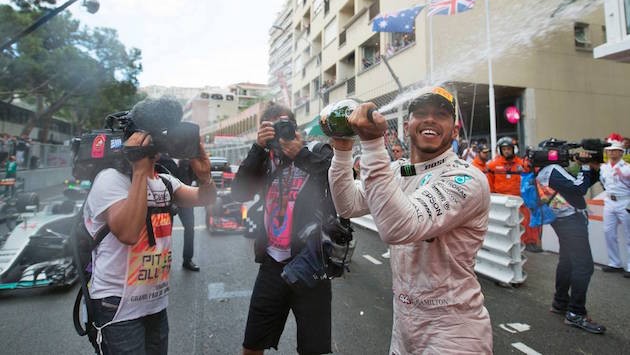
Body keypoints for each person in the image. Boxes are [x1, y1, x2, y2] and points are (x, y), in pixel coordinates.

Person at [328, 86, 492, 354]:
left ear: (454, 131)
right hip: (403, 327)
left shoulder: (467, 178)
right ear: (407, 126)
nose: (430, 119)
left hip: (454, 332)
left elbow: (398, 228)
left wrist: (372, 144)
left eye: (441, 114)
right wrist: (343, 149)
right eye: (421, 113)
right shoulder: (398, 170)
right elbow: (347, 205)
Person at [84, 97, 216, 354]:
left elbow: (205, 198)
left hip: (155, 304)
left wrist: (205, 176)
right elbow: (129, 233)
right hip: (117, 306)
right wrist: (140, 170)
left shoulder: (165, 181)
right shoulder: (109, 180)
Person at [231, 103, 336, 355]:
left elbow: (336, 180)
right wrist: (257, 148)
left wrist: (299, 154)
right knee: (252, 345)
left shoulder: (317, 151)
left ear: (295, 126)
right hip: (272, 265)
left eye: (284, 124)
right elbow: (240, 193)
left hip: (311, 265)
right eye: (272, 126)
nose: (280, 131)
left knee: (315, 350)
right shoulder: (264, 160)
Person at [532, 149, 606, 333]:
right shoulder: (552, 170)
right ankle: (576, 313)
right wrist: (585, 165)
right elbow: (579, 188)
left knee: (567, 261)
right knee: (584, 266)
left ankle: (560, 302)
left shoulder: (546, 171)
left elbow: (577, 184)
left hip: (563, 219)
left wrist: (591, 169)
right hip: (570, 220)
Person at [487, 136, 542, 252]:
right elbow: (490, 183)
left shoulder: (522, 164)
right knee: (504, 225)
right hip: (502, 201)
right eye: (504, 149)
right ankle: (505, 244)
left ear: (514, 149)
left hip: (520, 200)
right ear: (500, 150)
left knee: (526, 222)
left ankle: (529, 243)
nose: (507, 151)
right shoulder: (493, 165)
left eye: (509, 149)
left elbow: (534, 172)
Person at [156, 155, 200, 272]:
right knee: (165, 232)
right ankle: (162, 262)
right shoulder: (161, 158)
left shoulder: (186, 159)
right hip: (166, 201)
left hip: (185, 199)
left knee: (190, 228)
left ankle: (187, 259)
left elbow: (193, 175)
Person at [599, 138, 630, 277]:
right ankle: (614, 262)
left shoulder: (627, 167)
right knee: (608, 232)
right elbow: (604, 183)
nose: (611, 153)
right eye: (609, 150)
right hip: (609, 201)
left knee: (629, 234)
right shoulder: (604, 167)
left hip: (625, 201)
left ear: (621, 152)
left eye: (614, 150)